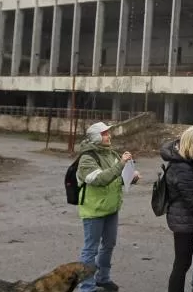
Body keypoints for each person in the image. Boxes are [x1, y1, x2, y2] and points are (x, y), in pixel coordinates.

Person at [76, 122, 140, 292]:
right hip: (94, 211)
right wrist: (120, 165)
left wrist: (131, 177)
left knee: (109, 245)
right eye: (104, 134)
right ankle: (86, 287)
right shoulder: (86, 158)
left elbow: (116, 177)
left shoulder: (110, 153)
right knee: (90, 249)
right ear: (96, 137)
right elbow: (100, 180)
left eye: (108, 133)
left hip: (111, 209)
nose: (108, 136)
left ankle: (102, 278)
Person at [161, 126, 193, 292]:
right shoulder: (182, 168)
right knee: (182, 264)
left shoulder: (185, 162)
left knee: (182, 263)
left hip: (185, 217)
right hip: (184, 220)